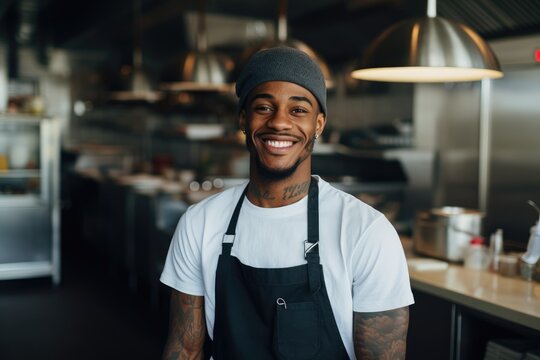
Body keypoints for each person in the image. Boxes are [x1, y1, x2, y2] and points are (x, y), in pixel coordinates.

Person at [160, 46, 414, 360]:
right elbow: (183, 349)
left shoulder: (367, 232)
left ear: (319, 124)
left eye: (298, 110)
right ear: (243, 118)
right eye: (264, 107)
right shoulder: (200, 223)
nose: (279, 123)